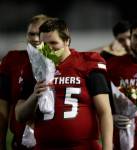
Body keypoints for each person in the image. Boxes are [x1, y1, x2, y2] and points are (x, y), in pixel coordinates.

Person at [15, 18, 113, 150]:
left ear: (67, 40)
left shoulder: (87, 63)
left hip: (83, 147)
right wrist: (34, 95)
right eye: (44, 44)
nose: (48, 48)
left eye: (53, 43)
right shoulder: (34, 67)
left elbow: (104, 111)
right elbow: (19, 116)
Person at [0, 14, 50, 150]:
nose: (34, 39)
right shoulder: (13, 61)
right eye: (31, 34)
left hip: (53, 141)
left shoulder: (61, 61)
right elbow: (2, 108)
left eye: (39, 34)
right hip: (21, 143)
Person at [107, 12, 137, 150]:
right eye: (136, 37)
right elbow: (99, 104)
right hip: (121, 142)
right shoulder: (113, 65)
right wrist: (111, 117)